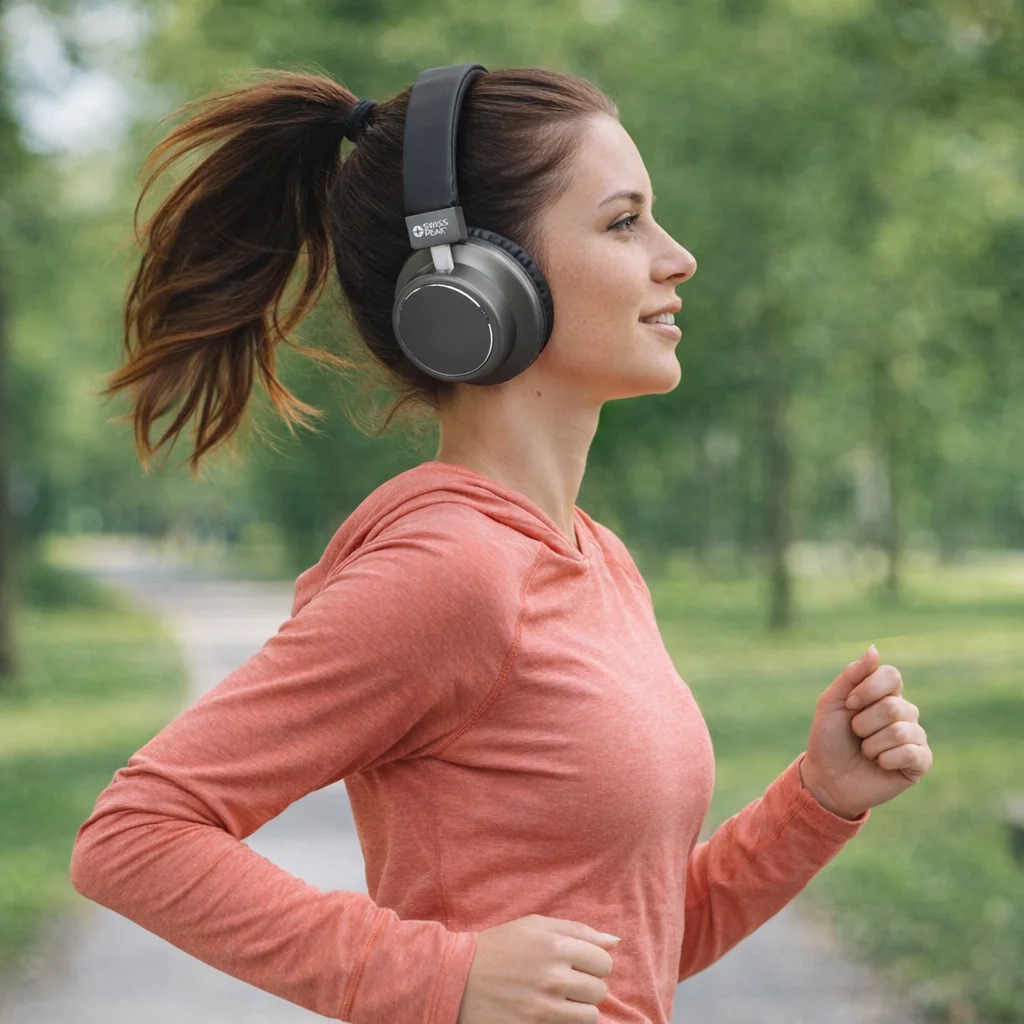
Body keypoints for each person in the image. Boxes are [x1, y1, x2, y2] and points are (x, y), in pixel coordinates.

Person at [69, 65, 933, 1024]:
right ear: (475, 280)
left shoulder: (596, 560)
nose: (677, 257)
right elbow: (133, 836)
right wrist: (439, 977)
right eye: (622, 222)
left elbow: (626, 957)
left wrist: (819, 801)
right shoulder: (451, 570)